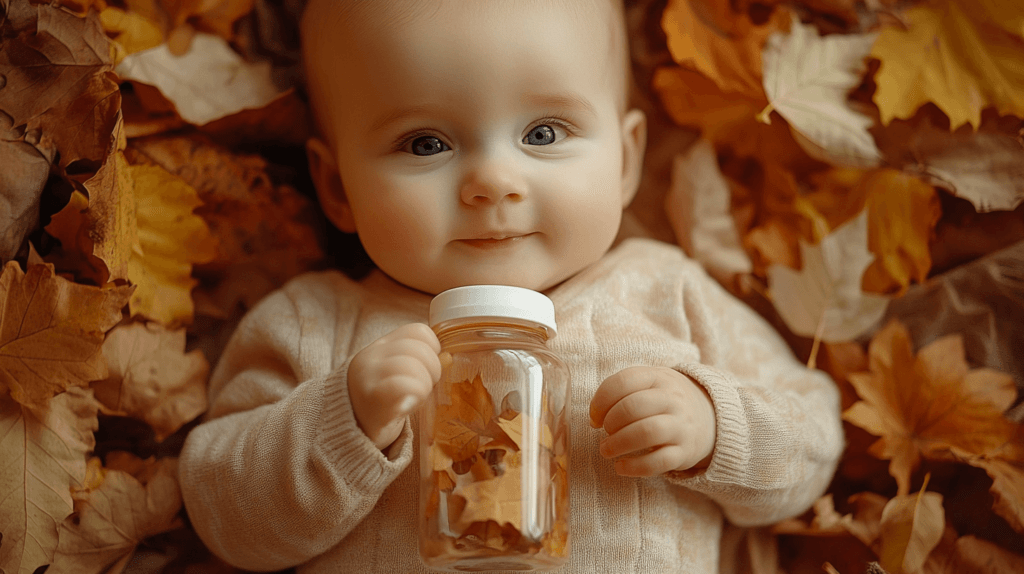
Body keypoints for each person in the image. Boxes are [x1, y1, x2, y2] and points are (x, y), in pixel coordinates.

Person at [178, 1, 844, 572]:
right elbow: (221, 509)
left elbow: (813, 437)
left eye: (543, 133)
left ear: (625, 161)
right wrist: (341, 421)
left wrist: (714, 426)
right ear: (336, 188)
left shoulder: (664, 290)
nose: (493, 180)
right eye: (425, 144)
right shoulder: (316, 322)